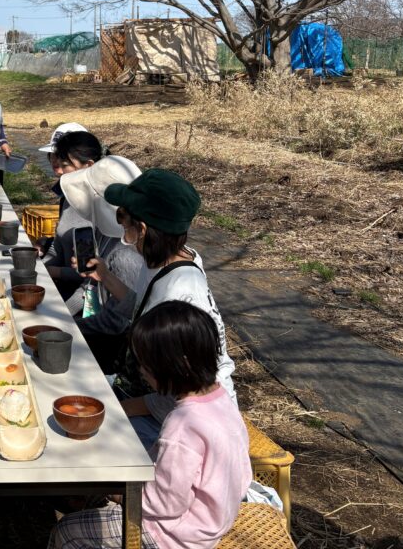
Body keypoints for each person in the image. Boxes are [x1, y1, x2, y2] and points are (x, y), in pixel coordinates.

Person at [49, 301, 251, 549]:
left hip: (174, 535)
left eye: (147, 364)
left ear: (179, 365)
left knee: (68, 532)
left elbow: (164, 504)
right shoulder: (220, 399)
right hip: (211, 521)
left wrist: (118, 492)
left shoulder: (184, 424)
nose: (142, 371)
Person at [93, 169, 236, 449]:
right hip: (157, 392)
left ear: (143, 229)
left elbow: (180, 395)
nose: (123, 232)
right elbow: (142, 308)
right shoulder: (165, 259)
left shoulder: (180, 294)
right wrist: (105, 277)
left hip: (187, 422)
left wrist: (116, 409)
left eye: (124, 222)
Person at [59, 155, 145, 371]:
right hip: (96, 326)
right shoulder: (106, 233)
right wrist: (63, 316)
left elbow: (117, 322)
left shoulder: (126, 254)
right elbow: (90, 289)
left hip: (110, 348)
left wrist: (68, 328)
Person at [37, 126, 96, 299]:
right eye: (53, 155)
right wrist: (40, 269)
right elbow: (58, 247)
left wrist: (53, 272)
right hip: (63, 288)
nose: (57, 165)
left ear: (88, 164)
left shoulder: (94, 208)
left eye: (65, 162)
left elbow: (89, 275)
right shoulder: (68, 196)